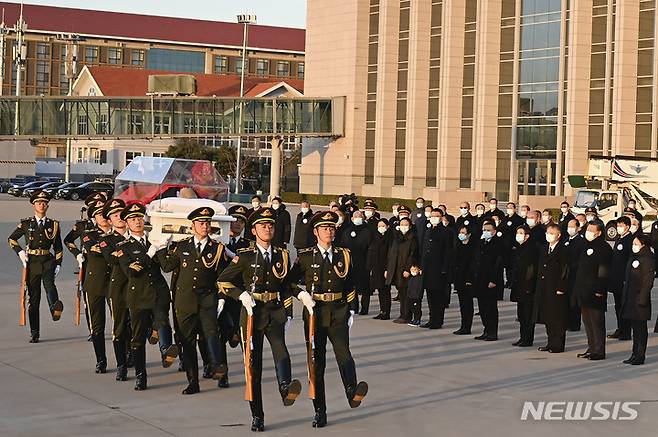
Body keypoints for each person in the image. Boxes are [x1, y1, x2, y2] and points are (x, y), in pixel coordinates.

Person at [217, 208, 300, 432]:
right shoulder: (244, 256)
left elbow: (285, 285)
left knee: (281, 350)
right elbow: (223, 281)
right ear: (254, 231)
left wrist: (292, 306)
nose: (268, 228)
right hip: (253, 312)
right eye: (263, 225)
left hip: (273, 309)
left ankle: (285, 386)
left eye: (271, 225)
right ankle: (257, 415)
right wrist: (241, 295)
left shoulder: (282, 254)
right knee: (253, 366)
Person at [290, 211, 368, 428]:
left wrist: (351, 309)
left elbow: (351, 283)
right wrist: (301, 295)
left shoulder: (344, 254)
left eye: (332, 228)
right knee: (317, 363)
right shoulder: (306, 256)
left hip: (338, 311)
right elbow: (287, 282)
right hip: (315, 312)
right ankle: (319, 410)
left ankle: (352, 391)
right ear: (316, 232)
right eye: (325, 228)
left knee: (344, 353)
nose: (330, 231)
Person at [157, 207, 231, 394]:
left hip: (207, 299)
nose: (205, 226)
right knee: (187, 341)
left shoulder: (217, 248)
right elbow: (167, 267)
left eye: (207, 223)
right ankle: (193, 381)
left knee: (212, 332)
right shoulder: (181, 247)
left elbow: (223, 276)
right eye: (201, 223)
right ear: (193, 226)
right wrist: (159, 248)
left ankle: (217, 366)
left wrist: (222, 297)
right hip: (185, 300)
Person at [115, 203, 179, 391]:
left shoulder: (154, 241)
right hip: (138, 296)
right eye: (133, 219)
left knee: (163, 321)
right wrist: (151, 252)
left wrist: (169, 248)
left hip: (158, 292)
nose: (137, 221)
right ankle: (141, 376)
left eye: (139, 218)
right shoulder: (123, 247)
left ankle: (166, 349)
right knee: (137, 338)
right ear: (126, 223)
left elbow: (166, 267)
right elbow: (131, 272)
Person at [8, 191, 64, 343]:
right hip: (31, 261)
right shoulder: (27, 224)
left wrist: (58, 264)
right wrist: (20, 253)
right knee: (34, 299)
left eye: (44, 203)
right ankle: (35, 331)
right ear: (33, 205)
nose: (42, 205)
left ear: (47, 205)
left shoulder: (54, 224)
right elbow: (12, 239)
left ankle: (55, 308)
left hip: (47, 260)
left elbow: (58, 247)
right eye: (39, 203)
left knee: (50, 285)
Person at [98, 198, 133, 382]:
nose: (119, 216)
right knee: (119, 328)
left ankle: (133, 356)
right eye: (114, 215)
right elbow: (111, 260)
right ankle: (121, 365)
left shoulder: (137, 235)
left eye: (121, 212)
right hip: (118, 288)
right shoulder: (106, 240)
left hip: (138, 287)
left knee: (136, 325)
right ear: (109, 220)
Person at [63, 192, 107, 339]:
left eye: (101, 204)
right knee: (90, 300)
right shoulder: (82, 225)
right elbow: (68, 240)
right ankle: (93, 329)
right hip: (89, 263)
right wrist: (77, 254)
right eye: (95, 205)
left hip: (108, 264)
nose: (99, 207)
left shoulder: (110, 223)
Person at [80, 199, 113, 373]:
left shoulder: (118, 234)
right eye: (100, 214)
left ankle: (128, 355)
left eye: (106, 213)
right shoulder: (89, 234)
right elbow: (96, 249)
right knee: (97, 325)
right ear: (94, 217)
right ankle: (101, 359)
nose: (105, 217)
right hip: (95, 284)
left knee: (121, 322)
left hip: (114, 283)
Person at [574, 222, 612, 360]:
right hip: (584, 290)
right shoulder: (586, 246)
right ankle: (591, 347)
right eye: (587, 229)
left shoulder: (604, 248)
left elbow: (603, 271)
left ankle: (599, 351)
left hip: (596, 291)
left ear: (599, 232)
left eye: (591, 230)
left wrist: (600, 289)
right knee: (588, 322)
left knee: (597, 322)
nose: (588, 232)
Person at [533, 224, 569, 353]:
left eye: (551, 233)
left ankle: (558, 344)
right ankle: (550, 342)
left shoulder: (563, 250)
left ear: (558, 235)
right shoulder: (544, 248)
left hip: (556, 288)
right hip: (545, 286)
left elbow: (565, 270)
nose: (548, 235)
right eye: (547, 232)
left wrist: (561, 287)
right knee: (548, 315)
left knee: (557, 316)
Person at [620, 234, 654, 365]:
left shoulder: (647, 259)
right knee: (635, 330)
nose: (634, 246)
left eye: (636, 243)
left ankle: (640, 355)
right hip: (631, 299)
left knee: (641, 330)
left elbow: (647, 282)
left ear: (643, 245)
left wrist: (642, 300)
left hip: (640, 301)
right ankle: (634, 354)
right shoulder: (635, 256)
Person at [469, 221, 503, 341]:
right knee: (482, 307)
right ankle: (486, 330)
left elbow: (498, 264)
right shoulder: (481, 242)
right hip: (480, 279)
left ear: (494, 231)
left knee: (490, 308)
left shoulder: (497, 244)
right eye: (484, 230)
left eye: (488, 230)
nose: (486, 232)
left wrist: (494, 280)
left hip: (490, 280)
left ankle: (492, 332)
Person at [420, 208, 452, 329]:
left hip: (438, 269)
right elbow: (424, 250)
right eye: (432, 215)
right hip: (427, 268)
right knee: (430, 295)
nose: (433, 217)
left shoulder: (445, 232)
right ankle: (431, 318)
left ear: (441, 217)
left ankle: (438, 320)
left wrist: (445, 268)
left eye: (436, 216)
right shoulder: (428, 230)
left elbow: (447, 251)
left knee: (438, 296)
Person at [338, 210, 373, 314]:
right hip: (350, 263)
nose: (358, 218)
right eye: (356, 216)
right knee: (352, 286)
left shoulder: (368, 231)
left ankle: (365, 308)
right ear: (352, 219)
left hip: (363, 263)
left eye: (360, 216)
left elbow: (371, 248)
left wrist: (369, 264)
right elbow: (342, 246)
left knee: (365, 287)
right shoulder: (347, 231)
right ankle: (354, 306)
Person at [509, 225, 538, 347]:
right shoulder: (519, 247)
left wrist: (528, 286)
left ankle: (528, 338)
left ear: (527, 235)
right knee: (521, 314)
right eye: (517, 232)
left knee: (527, 315)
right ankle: (522, 337)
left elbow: (531, 269)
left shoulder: (532, 248)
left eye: (521, 233)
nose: (518, 235)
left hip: (527, 286)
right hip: (518, 284)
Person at [387, 217, 417, 323]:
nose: (403, 227)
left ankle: (407, 315)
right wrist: (388, 269)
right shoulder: (397, 238)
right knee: (401, 293)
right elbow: (391, 254)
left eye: (406, 224)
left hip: (405, 270)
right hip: (397, 269)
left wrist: (408, 269)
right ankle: (402, 314)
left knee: (406, 294)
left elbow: (412, 255)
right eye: (402, 224)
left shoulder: (412, 238)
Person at [608, 216, 633, 341]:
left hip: (624, 279)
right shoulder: (619, 238)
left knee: (624, 305)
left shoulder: (630, 239)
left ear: (627, 226)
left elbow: (629, 260)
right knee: (618, 305)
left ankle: (626, 331)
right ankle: (620, 328)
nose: (619, 228)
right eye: (618, 225)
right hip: (616, 278)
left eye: (621, 225)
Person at [452, 225, 476, 334]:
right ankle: (463, 326)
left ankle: (467, 327)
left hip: (468, 279)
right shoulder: (458, 246)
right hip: (459, 279)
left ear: (469, 234)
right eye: (460, 232)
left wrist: (469, 279)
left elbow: (472, 265)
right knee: (462, 304)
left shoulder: (472, 247)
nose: (461, 234)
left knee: (467, 304)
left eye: (463, 232)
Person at [562, 219, 585, 332]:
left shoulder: (580, 242)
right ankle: (567, 321)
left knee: (574, 300)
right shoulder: (566, 240)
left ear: (578, 228)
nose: (569, 228)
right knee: (566, 300)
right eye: (568, 226)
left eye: (572, 226)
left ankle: (575, 323)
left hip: (575, 274)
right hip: (566, 274)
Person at [369, 218, 392, 320]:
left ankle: (386, 312)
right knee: (380, 290)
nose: (381, 228)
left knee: (386, 290)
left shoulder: (390, 238)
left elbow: (390, 255)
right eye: (379, 226)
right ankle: (382, 311)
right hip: (376, 268)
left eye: (383, 226)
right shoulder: (375, 237)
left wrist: (388, 269)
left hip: (385, 268)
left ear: (387, 226)